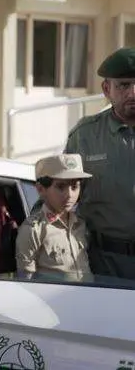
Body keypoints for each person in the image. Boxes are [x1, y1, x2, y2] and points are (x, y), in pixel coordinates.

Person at [63, 47, 135, 279]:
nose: (133, 92)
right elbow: (59, 191)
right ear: (107, 89)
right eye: (124, 85)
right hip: (105, 263)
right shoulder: (85, 136)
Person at [15, 154, 92, 282]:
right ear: (40, 189)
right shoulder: (34, 230)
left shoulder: (80, 224)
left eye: (74, 187)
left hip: (91, 298)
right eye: (61, 187)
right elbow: (26, 281)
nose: (69, 195)